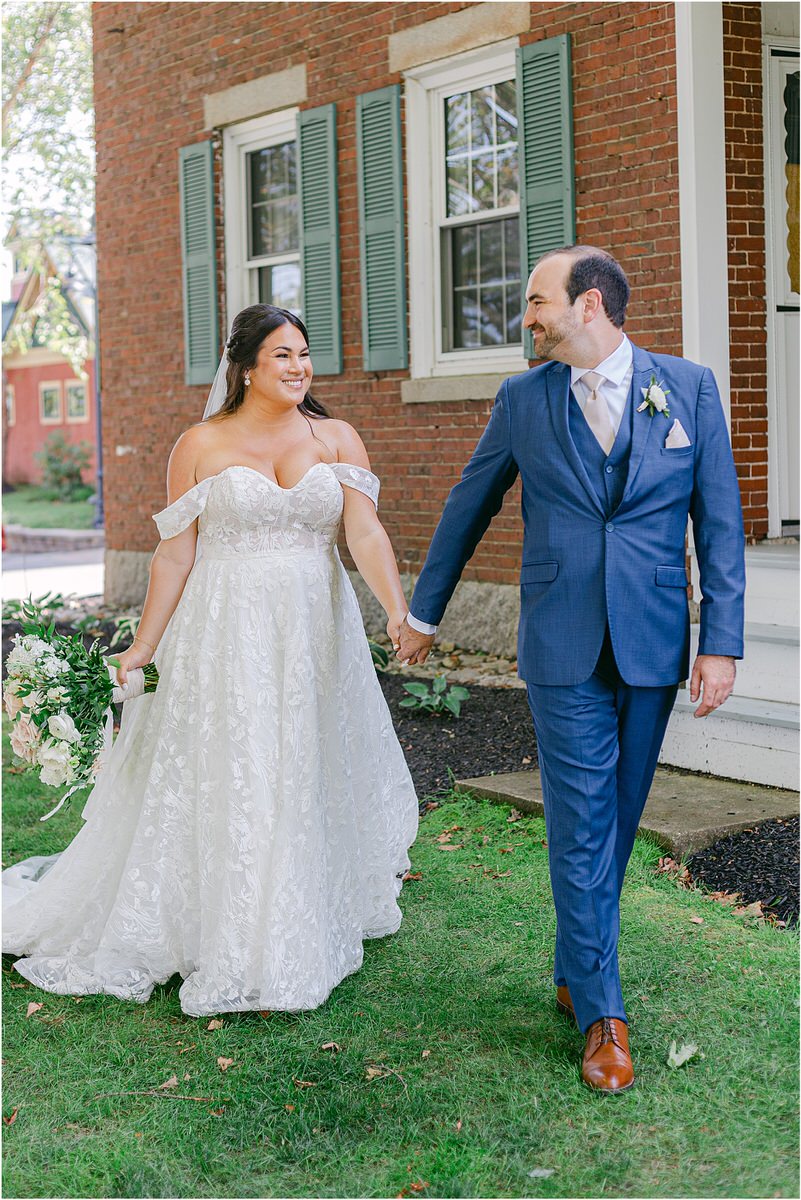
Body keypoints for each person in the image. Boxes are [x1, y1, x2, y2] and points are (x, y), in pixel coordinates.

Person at [3, 304, 419, 1017]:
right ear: (247, 366)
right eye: (282, 355)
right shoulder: (199, 443)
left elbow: (364, 529)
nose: (298, 367)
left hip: (314, 627)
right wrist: (142, 646)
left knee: (302, 757)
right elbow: (176, 553)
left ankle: (294, 904)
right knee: (235, 762)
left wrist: (395, 607)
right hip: (224, 629)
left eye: (304, 353)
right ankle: (221, 922)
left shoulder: (337, 436)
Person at [398, 246, 745, 1093]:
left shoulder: (687, 387)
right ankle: (602, 1014)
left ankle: (571, 963)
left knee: (617, 817)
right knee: (581, 818)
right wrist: (423, 612)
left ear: (588, 306)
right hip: (559, 640)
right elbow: (468, 501)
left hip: (654, 637)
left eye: (535, 302)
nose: (527, 317)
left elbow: (722, 520)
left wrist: (721, 640)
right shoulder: (523, 399)